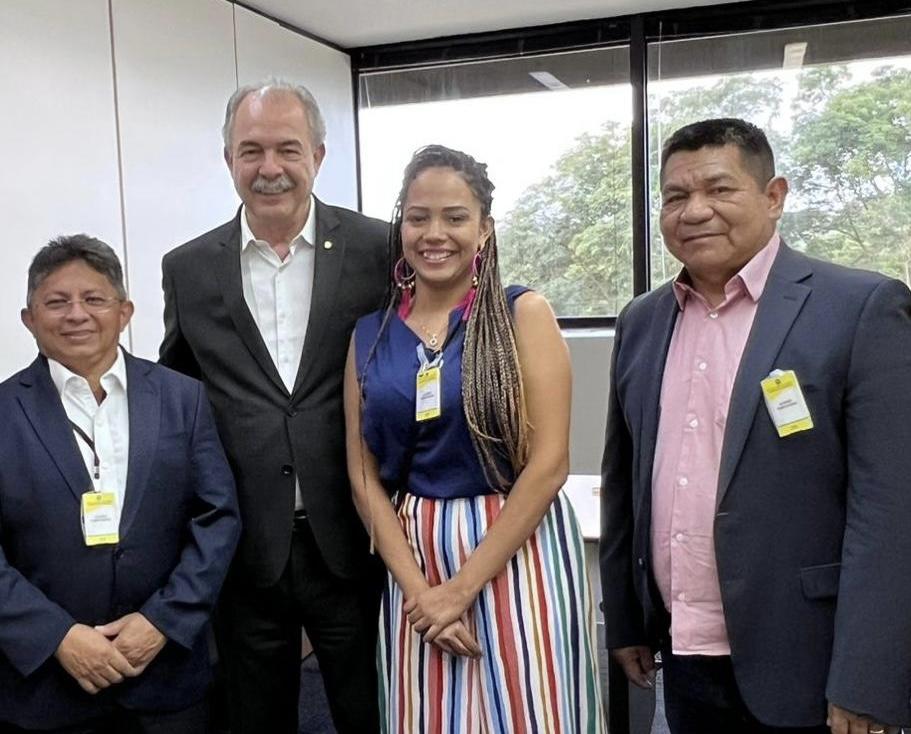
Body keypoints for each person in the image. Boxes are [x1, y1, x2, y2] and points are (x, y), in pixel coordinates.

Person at [599, 118, 911, 734]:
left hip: (811, 661)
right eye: (675, 197)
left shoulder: (859, 307)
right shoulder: (641, 320)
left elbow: (892, 510)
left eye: (719, 189)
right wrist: (629, 619)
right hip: (682, 651)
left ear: (774, 196)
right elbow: (626, 482)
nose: (695, 212)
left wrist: (868, 675)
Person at [344, 144, 606, 732]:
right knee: (428, 716)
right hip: (415, 555)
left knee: (534, 711)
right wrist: (423, 594)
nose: (435, 233)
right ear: (401, 226)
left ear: (484, 229)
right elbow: (362, 477)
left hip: (517, 547)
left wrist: (459, 590)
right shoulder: (369, 334)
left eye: (455, 217)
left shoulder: (523, 314)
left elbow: (550, 464)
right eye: (418, 217)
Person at [159, 79, 388, 733]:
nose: (269, 168)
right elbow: (178, 392)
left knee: (369, 707)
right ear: (227, 159)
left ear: (317, 153)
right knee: (254, 715)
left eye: (287, 149)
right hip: (244, 543)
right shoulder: (189, 267)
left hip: (355, 536)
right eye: (250, 150)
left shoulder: (378, 249)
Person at [0, 235, 240, 733]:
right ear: (29, 318)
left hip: (167, 674)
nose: (76, 315)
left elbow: (217, 519)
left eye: (94, 299)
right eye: (57, 302)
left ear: (125, 311)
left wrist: (162, 623)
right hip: (47, 683)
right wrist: (58, 637)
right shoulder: (4, 412)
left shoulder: (182, 398)